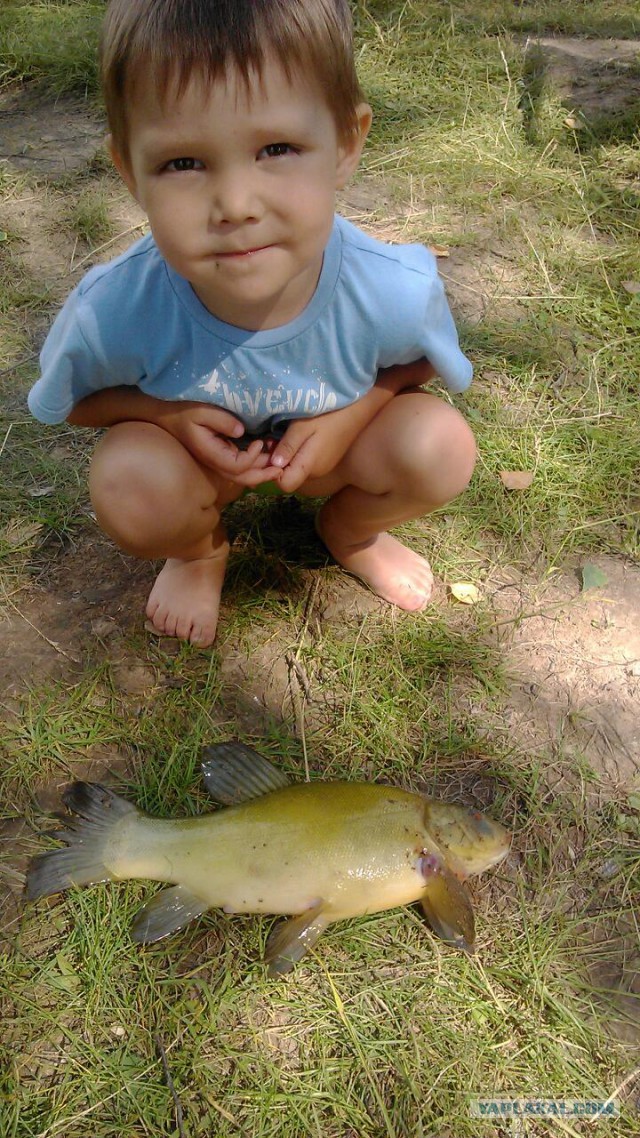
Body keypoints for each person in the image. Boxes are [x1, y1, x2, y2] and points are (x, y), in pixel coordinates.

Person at [28, 0, 476, 648]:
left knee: (440, 446)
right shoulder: (113, 307)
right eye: (183, 163)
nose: (235, 205)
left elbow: (426, 358)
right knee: (128, 483)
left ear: (346, 144)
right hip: (199, 468)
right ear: (129, 170)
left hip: (333, 455)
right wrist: (167, 418)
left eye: (276, 148)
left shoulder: (391, 287)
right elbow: (74, 403)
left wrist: (352, 414)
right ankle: (198, 551)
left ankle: (350, 532)